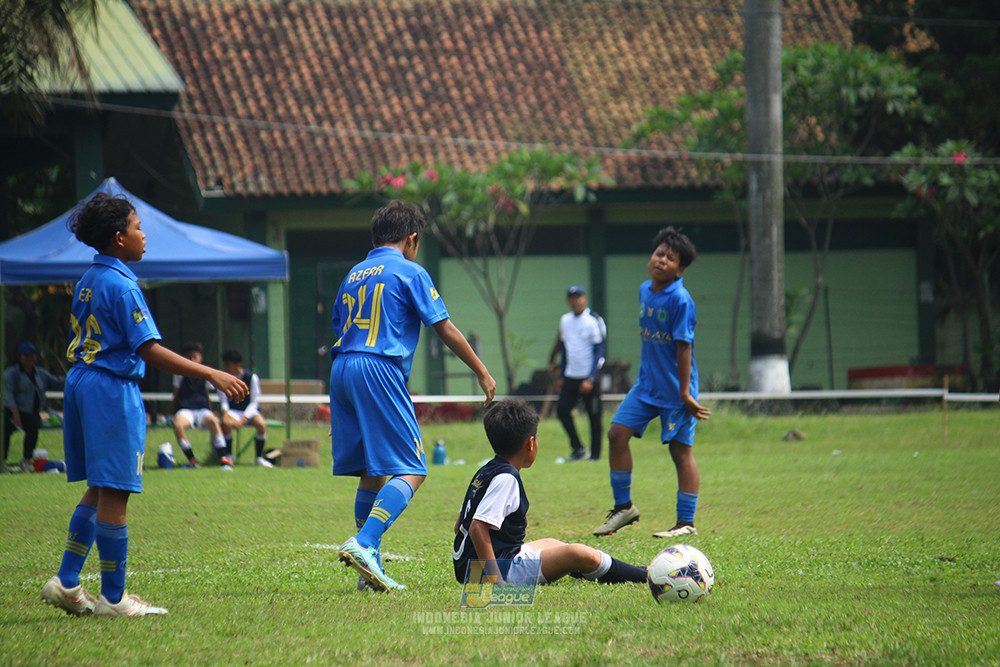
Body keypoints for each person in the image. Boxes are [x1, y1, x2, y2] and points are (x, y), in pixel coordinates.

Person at [41, 192, 247, 618]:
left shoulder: (87, 280)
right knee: (115, 488)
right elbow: (148, 348)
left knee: (98, 486)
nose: (143, 235)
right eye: (137, 227)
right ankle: (114, 600)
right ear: (119, 238)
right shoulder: (122, 284)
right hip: (110, 388)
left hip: (81, 381)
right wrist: (211, 373)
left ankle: (66, 579)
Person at [332, 200, 496, 593]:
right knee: (412, 467)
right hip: (379, 367)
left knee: (373, 470)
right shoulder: (409, 270)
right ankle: (365, 543)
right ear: (412, 239)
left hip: (342, 369)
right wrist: (482, 370)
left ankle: (366, 571)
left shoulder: (353, 274)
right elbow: (445, 328)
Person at [593, 227, 711, 539]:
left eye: (670, 258)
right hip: (646, 387)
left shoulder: (681, 300)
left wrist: (685, 392)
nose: (661, 260)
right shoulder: (645, 289)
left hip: (676, 390)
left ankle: (686, 523)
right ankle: (624, 508)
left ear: (680, 269)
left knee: (680, 452)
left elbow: (684, 347)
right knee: (617, 433)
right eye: (659, 254)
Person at [453, 400, 647, 587]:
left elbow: (460, 525)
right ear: (530, 443)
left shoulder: (486, 470)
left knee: (552, 543)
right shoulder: (506, 477)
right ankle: (644, 574)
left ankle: (589, 569)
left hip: (472, 567)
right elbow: (477, 528)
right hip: (492, 571)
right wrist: (496, 581)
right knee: (577, 553)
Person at [547, 285, 607, 462]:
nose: (576, 301)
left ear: (585, 299)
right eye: (572, 297)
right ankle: (578, 448)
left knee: (594, 416)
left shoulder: (593, 320)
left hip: (589, 377)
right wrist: (561, 375)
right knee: (562, 410)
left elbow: (599, 351)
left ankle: (595, 456)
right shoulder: (565, 321)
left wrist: (591, 377)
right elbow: (566, 349)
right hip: (571, 376)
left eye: (578, 297)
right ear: (568, 301)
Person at [3, 342, 64, 473]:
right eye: (26, 355)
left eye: (32, 355)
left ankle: (26, 461)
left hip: (31, 412)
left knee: (32, 434)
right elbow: (8, 395)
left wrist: (73, 378)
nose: (30, 358)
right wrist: (15, 414)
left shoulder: (40, 373)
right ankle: (2, 461)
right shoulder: (12, 374)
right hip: (13, 411)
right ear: (19, 357)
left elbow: (56, 383)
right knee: (4, 434)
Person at [171, 342, 229, 469]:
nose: (192, 360)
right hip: (185, 409)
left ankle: (223, 458)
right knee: (178, 425)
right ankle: (192, 460)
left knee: (214, 422)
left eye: (194, 356)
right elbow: (175, 394)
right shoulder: (179, 372)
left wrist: (211, 410)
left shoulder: (205, 373)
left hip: (202, 409)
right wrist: (170, 411)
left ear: (200, 358)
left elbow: (207, 394)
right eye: (189, 357)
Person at [218, 347, 271, 467]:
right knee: (225, 423)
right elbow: (224, 401)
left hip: (249, 412)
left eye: (228, 364)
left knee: (261, 425)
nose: (226, 368)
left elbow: (254, 403)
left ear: (238, 364)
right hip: (232, 411)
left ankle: (258, 458)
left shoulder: (252, 377)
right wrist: (225, 414)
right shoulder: (223, 378)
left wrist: (243, 419)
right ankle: (229, 455)